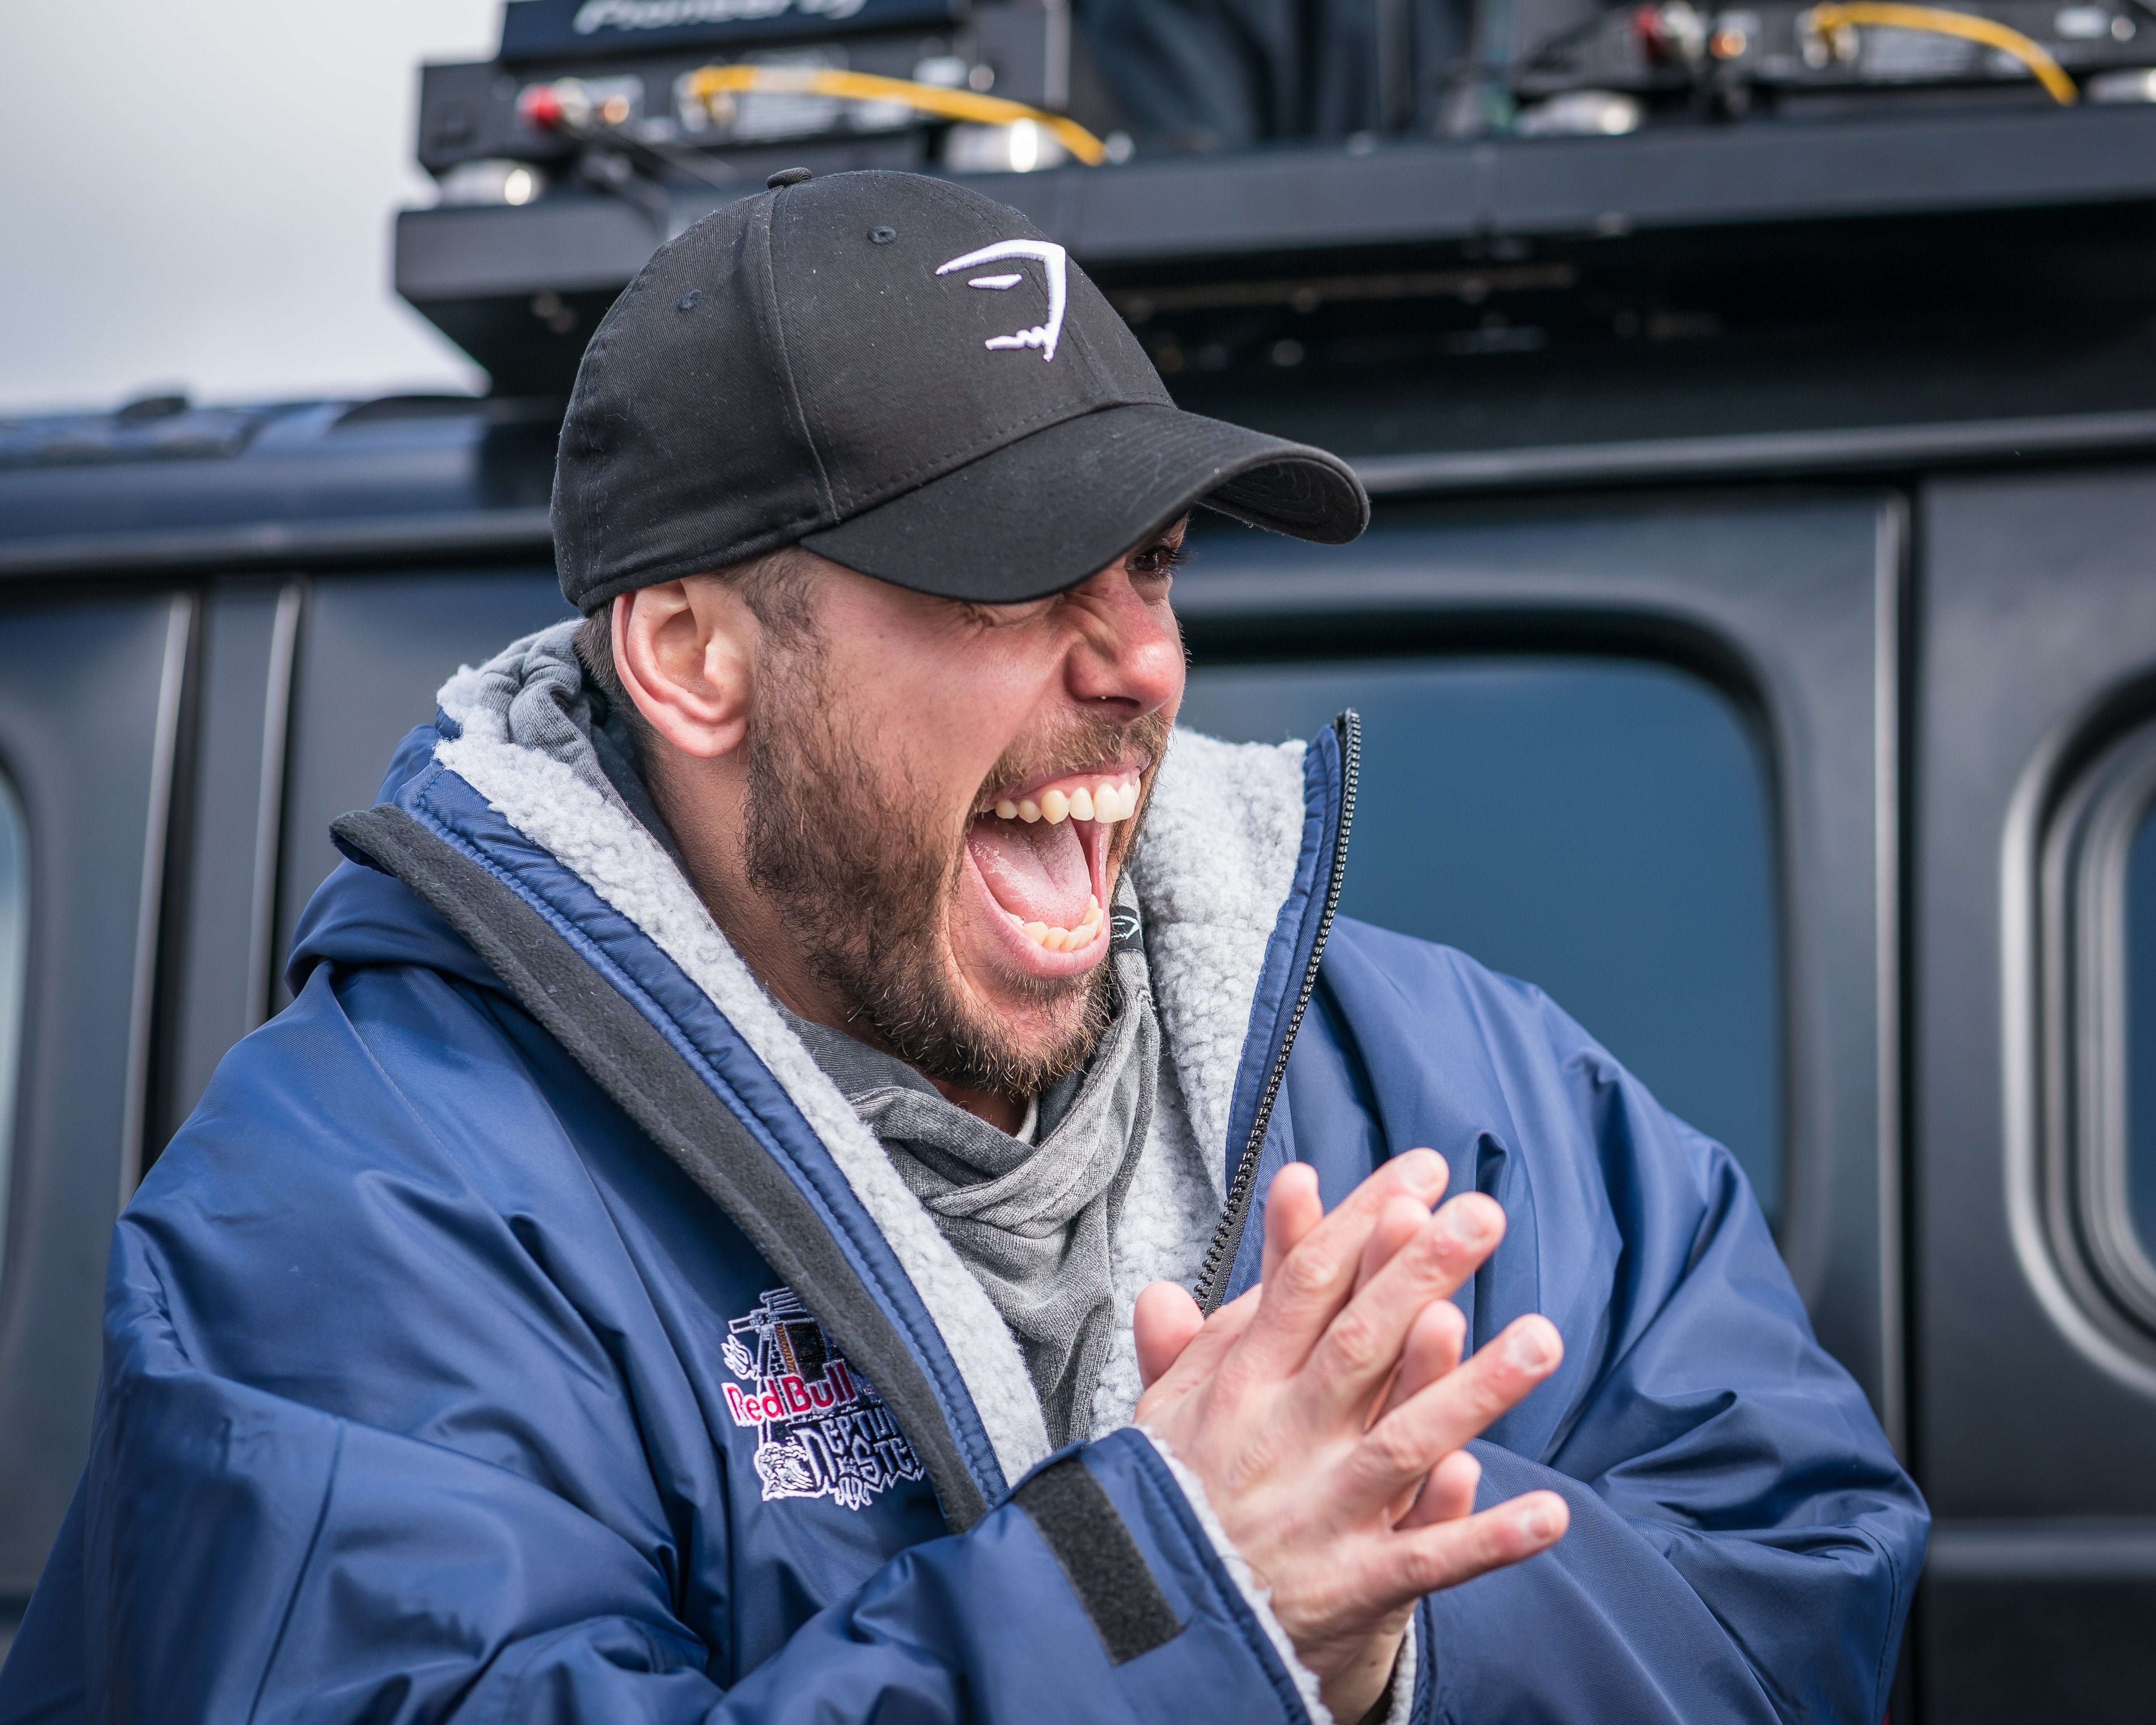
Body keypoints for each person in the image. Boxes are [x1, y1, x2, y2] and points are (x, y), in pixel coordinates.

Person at [0, 169, 1925, 1724]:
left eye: (1155, 559)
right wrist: (1163, 1595)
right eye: (1013, 570)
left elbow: (1803, 1572)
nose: (1144, 661)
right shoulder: (352, 1221)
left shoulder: (1454, 1086)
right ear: (691, 656)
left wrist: (1397, 1644)